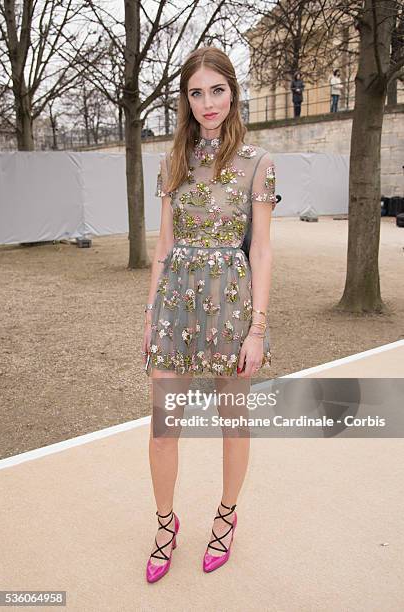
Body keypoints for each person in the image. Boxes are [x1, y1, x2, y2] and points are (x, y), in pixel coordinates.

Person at [142, 46, 277, 583]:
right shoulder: (173, 160)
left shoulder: (258, 163)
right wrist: (151, 312)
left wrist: (258, 329)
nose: (207, 102)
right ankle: (164, 525)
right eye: (196, 93)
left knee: (232, 423)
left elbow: (262, 250)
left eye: (216, 90)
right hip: (174, 304)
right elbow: (163, 243)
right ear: (186, 99)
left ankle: (225, 518)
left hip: (231, 306)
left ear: (233, 92)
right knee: (162, 429)